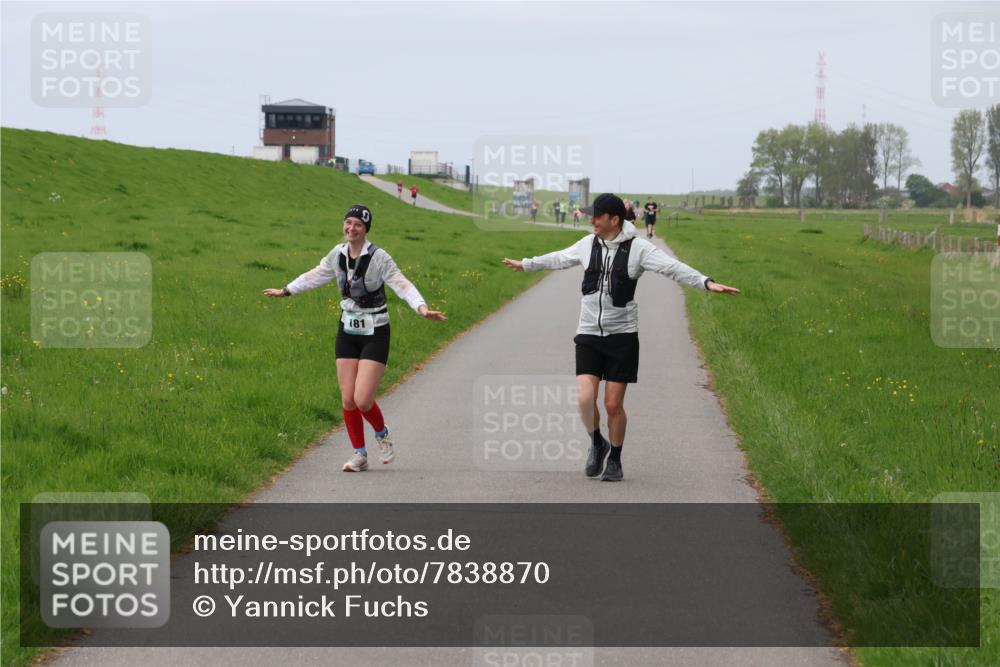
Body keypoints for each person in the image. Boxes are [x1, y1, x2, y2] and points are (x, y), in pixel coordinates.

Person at [501, 193, 739, 481]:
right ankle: (596, 442)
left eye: (597, 216)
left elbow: (672, 267)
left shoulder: (639, 249)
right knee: (585, 399)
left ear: (613, 220)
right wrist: (527, 264)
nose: (592, 221)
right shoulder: (587, 244)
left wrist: (705, 282)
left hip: (622, 336)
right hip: (588, 332)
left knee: (613, 404)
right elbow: (560, 258)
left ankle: (615, 457)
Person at [263, 204, 447, 472]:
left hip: (376, 331)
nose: (351, 228)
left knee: (363, 399)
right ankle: (359, 455)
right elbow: (316, 274)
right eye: (348, 223)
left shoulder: (380, 257)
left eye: (357, 225)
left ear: (366, 229)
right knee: (348, 399)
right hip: (348, 329)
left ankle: (382, 434)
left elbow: (401, 283)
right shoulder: (337, 255)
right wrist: (286, 290)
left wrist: (421, 308)